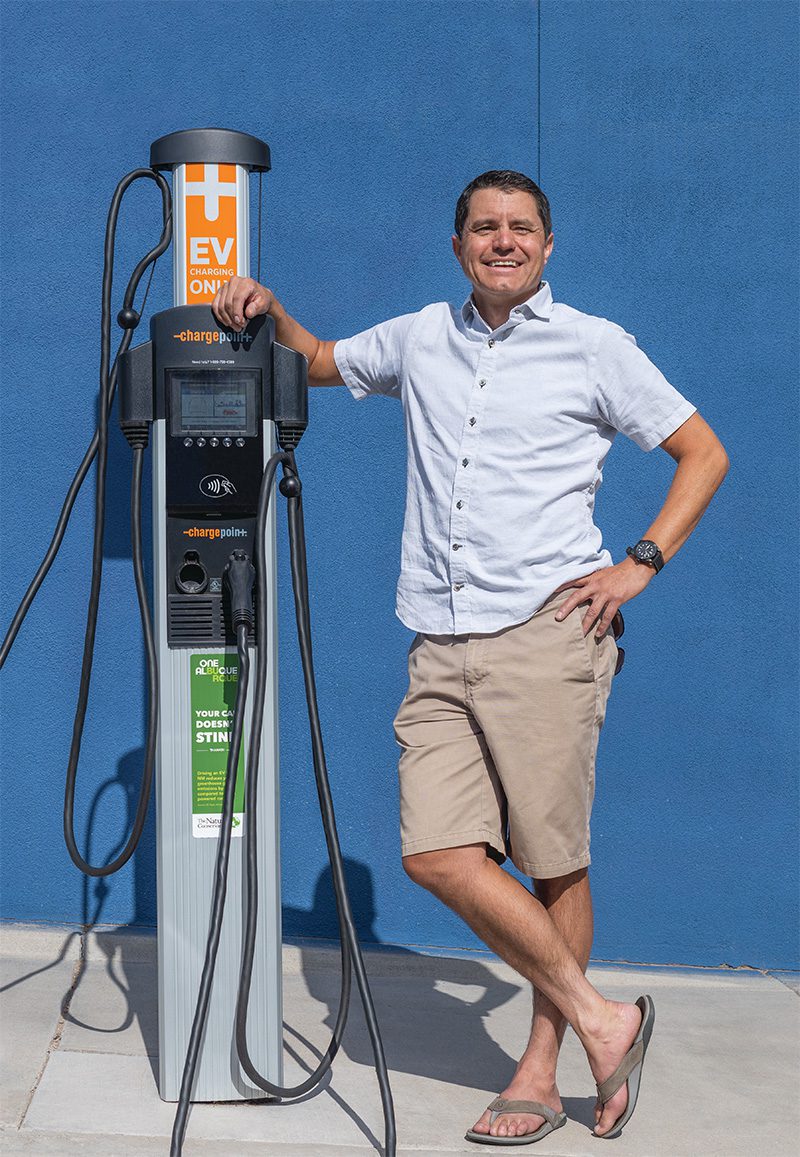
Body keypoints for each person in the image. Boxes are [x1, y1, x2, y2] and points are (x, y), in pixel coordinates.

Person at [212, 170, 729, 1145]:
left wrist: (638, 563)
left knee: (550, 860)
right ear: (457, 246)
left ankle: (539, 1069)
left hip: (547, 631)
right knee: (435, 852)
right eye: (484, 227)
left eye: (520, 227)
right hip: (437, 638)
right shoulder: (419, 338)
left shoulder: (594, 346)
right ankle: (601, 1017)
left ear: (546, 245)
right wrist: (274, 311)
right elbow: (319, 361)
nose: (502, 240)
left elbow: (700, 451)